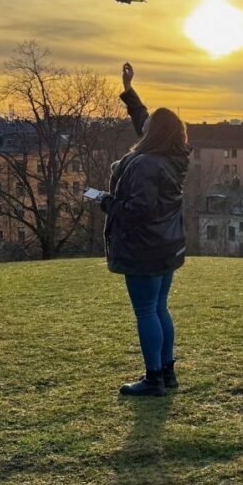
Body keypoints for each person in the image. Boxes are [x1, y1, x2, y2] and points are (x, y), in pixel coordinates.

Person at [100, 62, 190, 397]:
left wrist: (105, 201)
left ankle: (153, 380)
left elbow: (136, 210)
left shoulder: (146, 164)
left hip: (143, 248)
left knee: (145, 311)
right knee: (159, 308)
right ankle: (167, 374)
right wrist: (129, 89)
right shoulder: (174, 155)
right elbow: (146, 123)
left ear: (155, 133)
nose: (146, 123)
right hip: (167, 246)